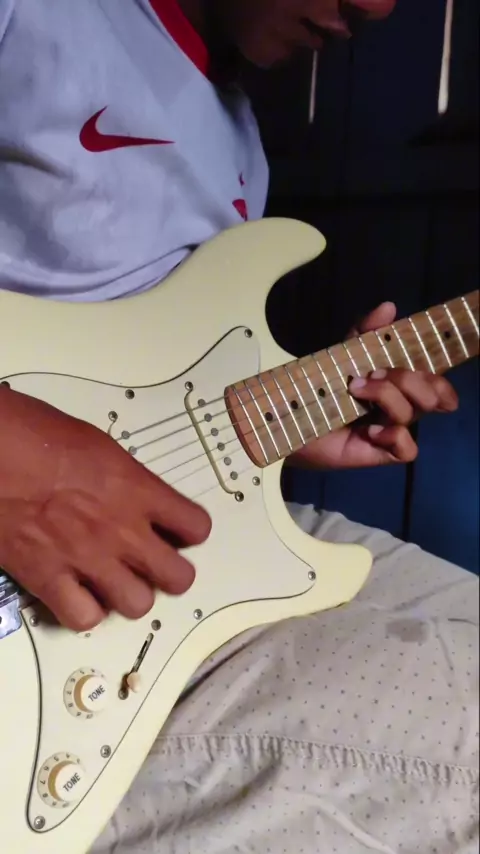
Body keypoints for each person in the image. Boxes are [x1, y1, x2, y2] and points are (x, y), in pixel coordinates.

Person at [0, 1, 478, 852]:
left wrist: (283, 421)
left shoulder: (237, 143)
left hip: (183, 546)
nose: (374, 7)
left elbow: (143, 379)